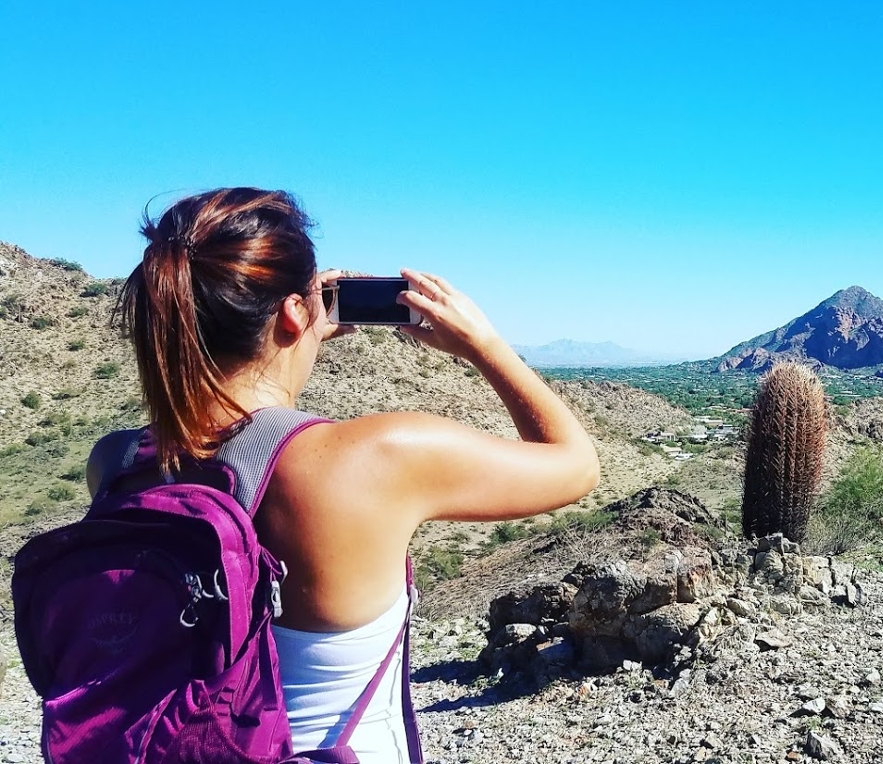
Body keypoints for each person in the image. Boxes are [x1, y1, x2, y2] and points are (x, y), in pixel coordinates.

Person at [87, 187, 601, 761]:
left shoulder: (115, 464)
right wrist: (481, 344)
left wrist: (293, 328)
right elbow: (576, 463)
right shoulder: (373, 457)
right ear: (294, 311)